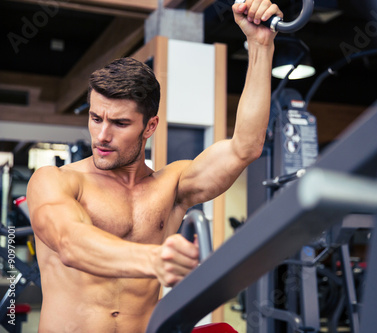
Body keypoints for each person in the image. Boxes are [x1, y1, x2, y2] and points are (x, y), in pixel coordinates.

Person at [26, 0, 282, 331]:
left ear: (149, 126)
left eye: (119, 123)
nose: (102, 135)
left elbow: (245, 147)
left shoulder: (171, 186)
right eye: (95, 118)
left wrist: (261, 46)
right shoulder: (55, 181)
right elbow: (70, 243)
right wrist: (152, 259)